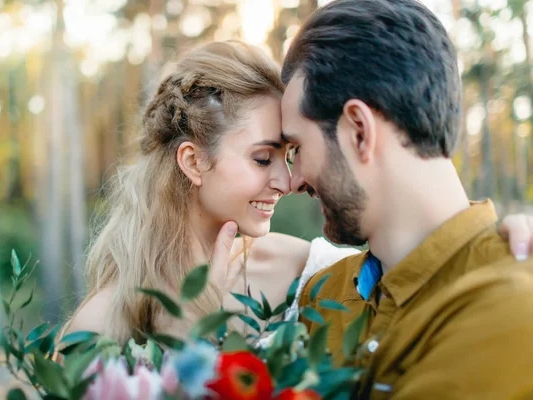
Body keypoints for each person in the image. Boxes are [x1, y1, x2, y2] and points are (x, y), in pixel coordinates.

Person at [66, 40, 533, 349]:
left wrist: (495, 246)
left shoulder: (309, 276)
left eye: (290, 156)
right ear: (192, 161)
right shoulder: (105, 322)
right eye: (263, 158)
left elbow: (428, 281)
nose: (287, 182)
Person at [277, 0, 533, 397]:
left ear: (359, 130)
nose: (293, 181)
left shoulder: (514, 311)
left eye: (297, 148)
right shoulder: (322, 295)